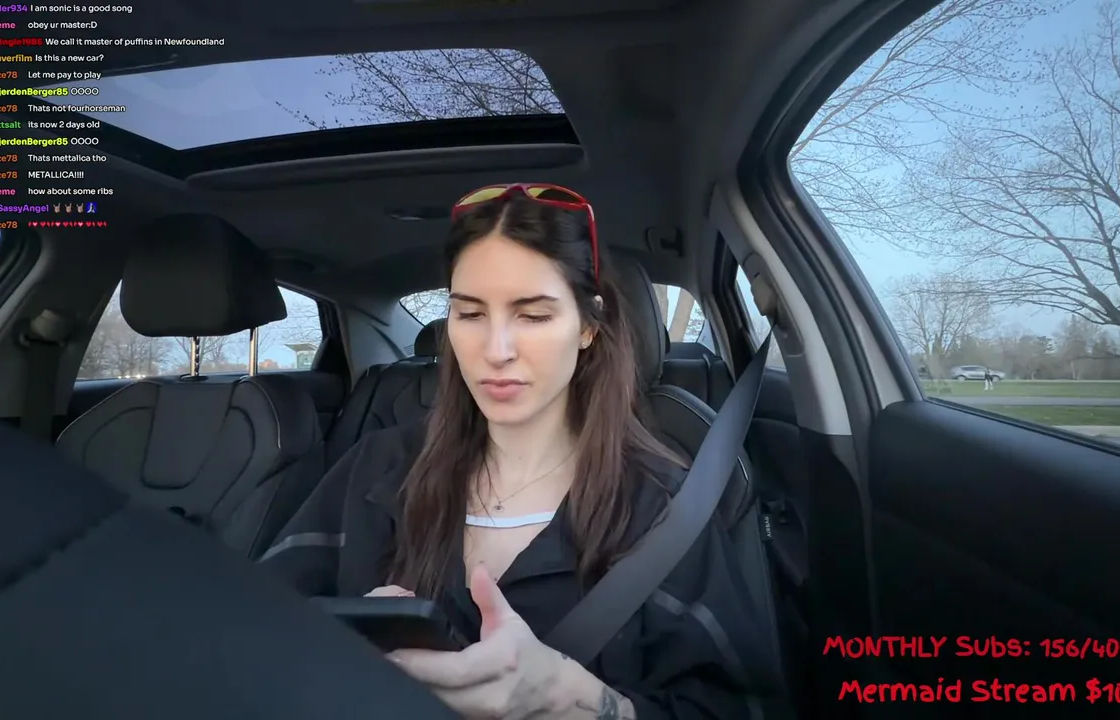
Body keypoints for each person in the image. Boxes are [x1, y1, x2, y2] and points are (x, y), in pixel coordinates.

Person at [259, 184, 778, 719]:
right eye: (470, 314)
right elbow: (250, 632)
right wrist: (335, 650)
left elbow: (740, 707)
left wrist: (586, 703)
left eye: (533, 316)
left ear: (588, 326)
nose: (496, 350)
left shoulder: (660, 505)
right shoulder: (375, 470)